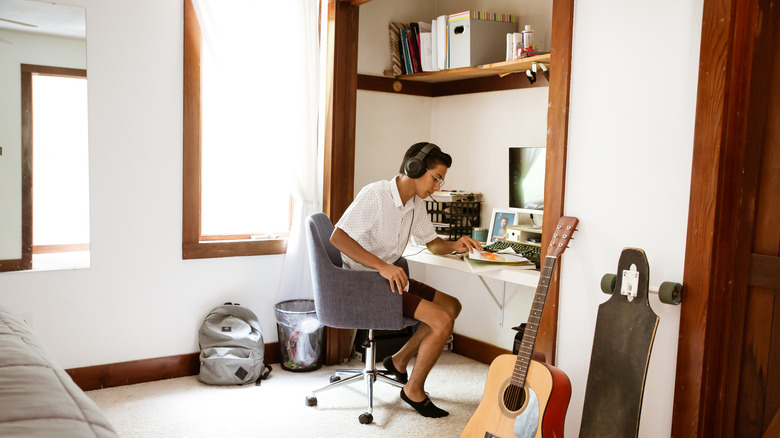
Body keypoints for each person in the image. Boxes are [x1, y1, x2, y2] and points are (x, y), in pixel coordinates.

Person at [330, 142, 482, 418]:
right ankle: (413, 389)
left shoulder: (415, 205)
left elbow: (433, 244)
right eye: (435, 178)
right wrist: (383, 266)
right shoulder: (375, 195)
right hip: (366, 283)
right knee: (442, 320)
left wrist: (454, 244)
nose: (437, 187)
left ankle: (398, 361)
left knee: (452, 306)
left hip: (386, 279)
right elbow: (338, 237)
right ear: (414, 168)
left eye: (441, 181)